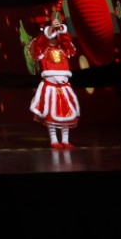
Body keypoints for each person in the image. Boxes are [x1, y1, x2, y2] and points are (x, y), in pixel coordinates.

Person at [30, 11, 80, 148]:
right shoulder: (42, 49)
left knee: (66, 113)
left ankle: (65, 140)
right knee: (50, 113)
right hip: (50, 86)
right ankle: (54, 140)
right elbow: (40, 43)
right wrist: (51, 28)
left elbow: (67, 41)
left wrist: (61, 29)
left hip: (64, 87)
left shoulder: (63, 49)